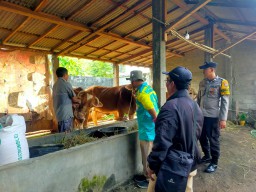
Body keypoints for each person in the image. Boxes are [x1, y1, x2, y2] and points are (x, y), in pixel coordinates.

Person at [147, 66, 203, 192]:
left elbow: (162, 141)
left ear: (172, 84)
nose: (166, 83)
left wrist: (152, 164)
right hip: (190, 162)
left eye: (167, 80)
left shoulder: (170, 107)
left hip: (171, 167)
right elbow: (197, 134)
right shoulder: (195, 106)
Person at [126, 70, 159, 189]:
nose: (131, 84)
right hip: (150, 127)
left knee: (147, 152)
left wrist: (155, 118)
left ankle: (148, 178)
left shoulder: (141, 93)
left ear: (134, 81)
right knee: (150, 151)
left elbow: (150, 107)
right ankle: (147, 174)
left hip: (147, 126)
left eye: (131, 81)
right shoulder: (149, 89)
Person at [197, 61, 230, 173]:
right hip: (202, 116)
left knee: (213, 139)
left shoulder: (222, 82)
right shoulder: (202, 82)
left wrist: (223, 119)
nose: (203, 71)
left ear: (211, 69)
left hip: (213, 117)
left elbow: (225, 101)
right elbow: (199, 99)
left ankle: (214, 162)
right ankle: (207, 156)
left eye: (205, 69)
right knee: (201, 137)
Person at [53, 67, 80, 133]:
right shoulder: (66, 84)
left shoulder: (55, 85)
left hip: (59, 113)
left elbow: (63, 97)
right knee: (66, 133)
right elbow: (74, 99)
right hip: (66, 114)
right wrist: (80, 101)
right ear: (65, 75)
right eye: (67, 75)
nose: (68, 76)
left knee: (61, 132)